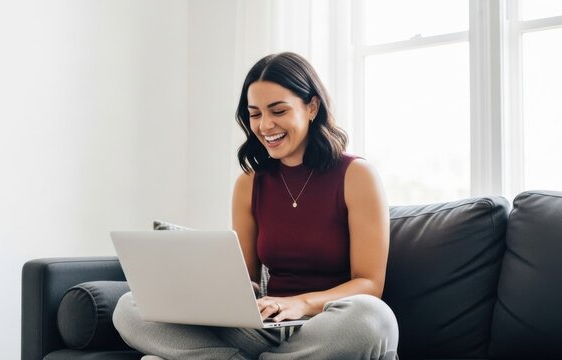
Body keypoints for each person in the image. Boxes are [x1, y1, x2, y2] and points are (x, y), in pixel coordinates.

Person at [113, 52, 399, 360]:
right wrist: (210, 291)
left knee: (372, 317)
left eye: (278, 110)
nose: (265, 125)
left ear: (312, 107)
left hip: (325, 326)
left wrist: (301, 303)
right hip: (264, 327)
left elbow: (369, 284)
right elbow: (246, 279)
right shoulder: (249, 184)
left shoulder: (356, 175)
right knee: (129, 306)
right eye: (255, 114)